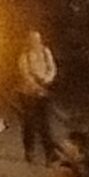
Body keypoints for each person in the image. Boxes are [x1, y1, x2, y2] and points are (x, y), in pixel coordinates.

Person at [15, 28, 58, 164]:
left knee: (45, 124)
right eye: (33, 40)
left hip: (44, 91)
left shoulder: (46, 52)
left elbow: (52, 68)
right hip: (28, 94)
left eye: (37, 39)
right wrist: (36, 86)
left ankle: (49, 154)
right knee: (30, 123)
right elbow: (25, 74)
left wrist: (47, 79)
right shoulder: (24, 56)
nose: (36, 42)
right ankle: (30, 151)